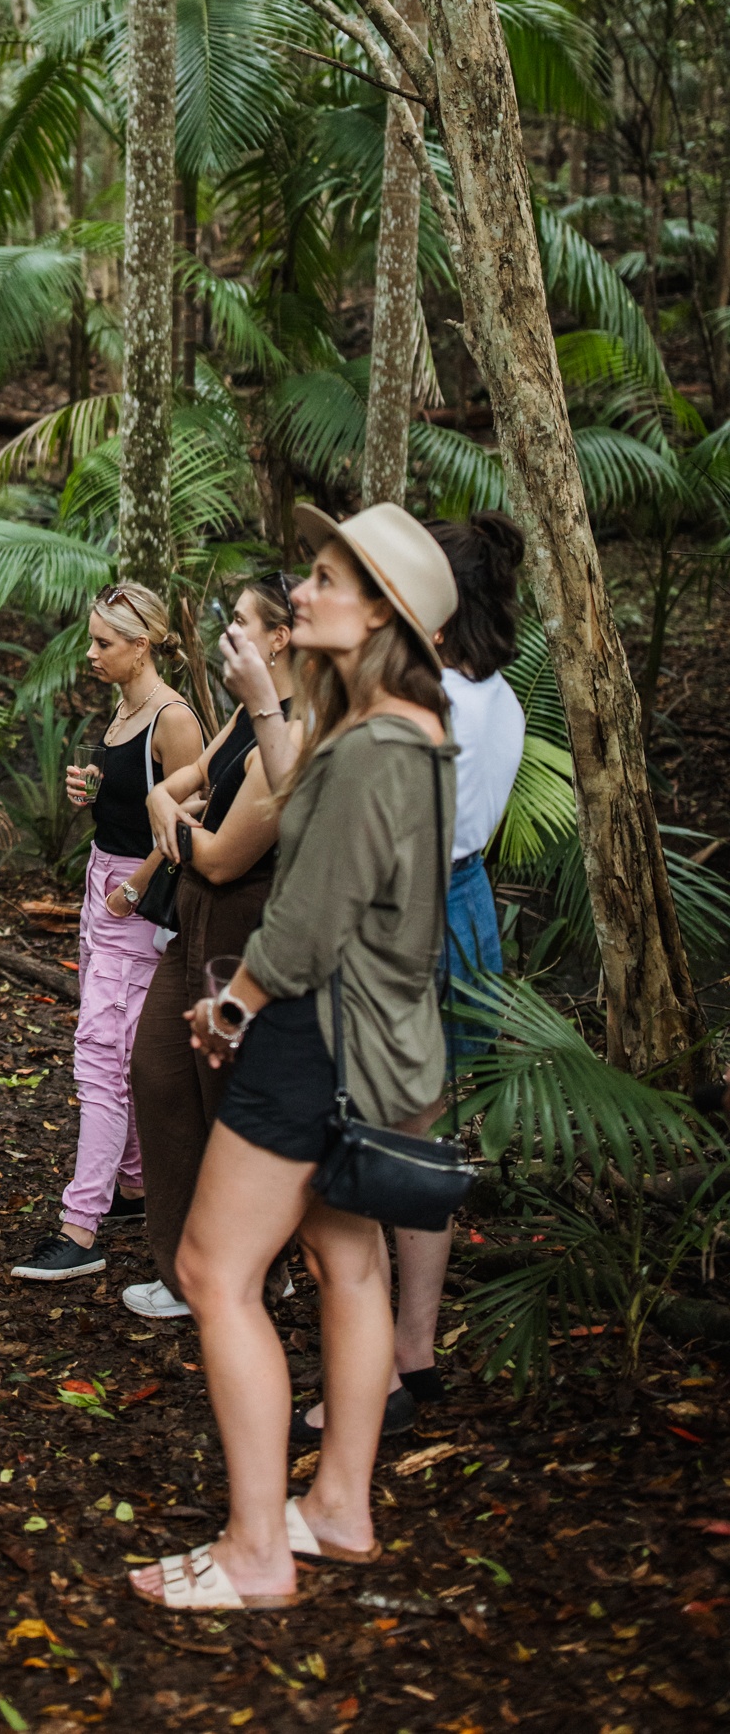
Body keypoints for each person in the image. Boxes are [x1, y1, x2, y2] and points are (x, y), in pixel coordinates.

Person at [129, 503, 458, 1611]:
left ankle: (258, 1549)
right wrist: (271, 710)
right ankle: (340, 1509)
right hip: (374, 1042)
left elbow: (309, 917)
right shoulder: (407, 732)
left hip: (310, 1034)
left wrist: (235, 1006)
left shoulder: (373, 747)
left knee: (215, 1272)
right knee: (346, 1263)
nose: (302, 594)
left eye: (325, 580)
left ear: (380, 616)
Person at [291, 510, 525, 1439]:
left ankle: (371, 1373)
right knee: (420, 1146)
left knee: (360, 1146)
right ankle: (413, 1352)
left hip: (405, 913)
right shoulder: (497, 698)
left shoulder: (423, 707)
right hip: (468, 907)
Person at [12, 583, 203, 1282]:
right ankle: (131, 1189)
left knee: (99, 1055)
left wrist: (139, 883)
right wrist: (90, 793)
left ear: (141, 646)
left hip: (136, 899)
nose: (90, 654)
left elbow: (196, 811)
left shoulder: (174, 718)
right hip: (103, 884)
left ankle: (79, 1227)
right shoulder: (126, 707)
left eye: (103, 643)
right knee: (113, 1047)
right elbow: (133, 799)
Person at [124, 575, 298, 1322]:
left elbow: (226, 855)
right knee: (158, 1071)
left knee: (227, 1096)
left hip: (242, 927)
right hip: (190, 917)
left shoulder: (293, 731)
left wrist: (176, 824)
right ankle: (186, 1265)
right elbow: (177, 788)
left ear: (280, 638)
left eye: (241, 621)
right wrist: (169, 805)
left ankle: (258, 1270)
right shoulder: (239, 715)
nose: (228, 632)